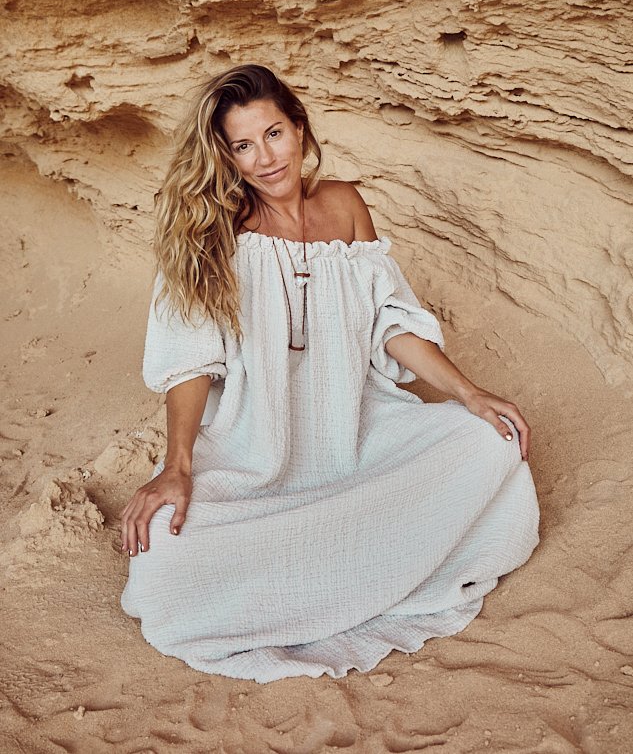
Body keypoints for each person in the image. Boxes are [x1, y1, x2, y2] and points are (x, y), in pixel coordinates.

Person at [120, 63, 539, 683]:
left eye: (273, 134)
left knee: (488, 441)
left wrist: (469, 393)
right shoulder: (213, 232)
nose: (265, 158)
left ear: (299, 128)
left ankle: (334, 570)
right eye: (242, 145)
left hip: (356, 430)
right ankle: (344, 568)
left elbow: (389, 323)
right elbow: (190, 360)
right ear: (226, 157)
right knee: (164, 558)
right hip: (256, 446)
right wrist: (177, 467)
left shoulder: (344, 206)